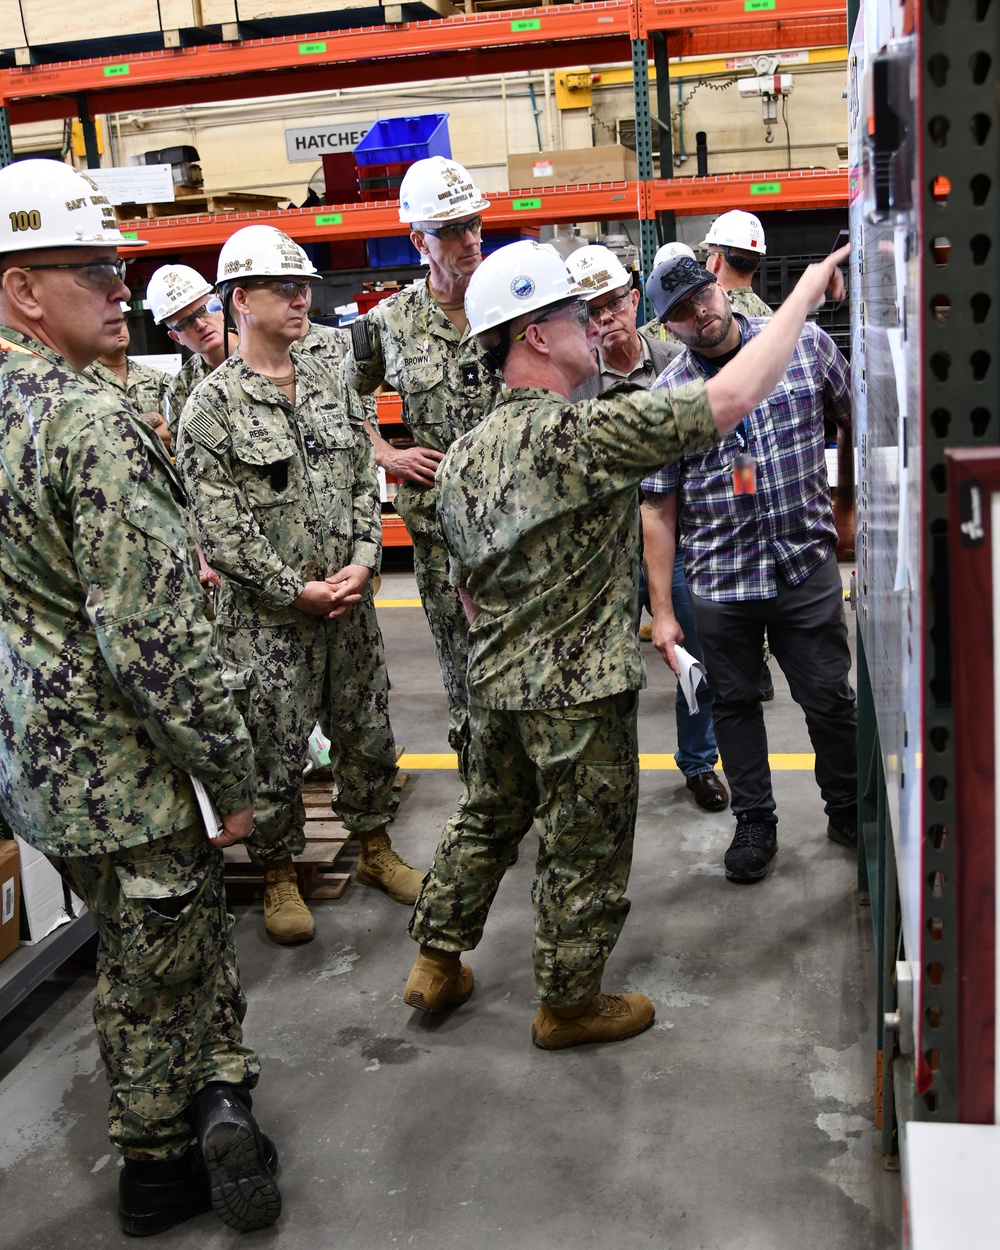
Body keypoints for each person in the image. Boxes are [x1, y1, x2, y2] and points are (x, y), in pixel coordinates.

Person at [402, 238, 849, 1047]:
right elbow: (733, 395)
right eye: (577, 317)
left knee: (486, 814)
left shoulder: (465, 454)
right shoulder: (580, 435)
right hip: (577, 690)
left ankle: (437, 957)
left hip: (494, 677)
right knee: (586, 842)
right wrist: (805, 294)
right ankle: (568, 1005)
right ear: (535, 334)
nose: (596, 330)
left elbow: (462, 583)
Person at [0, 160, 279, 1236]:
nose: (125, 288)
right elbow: (156, 639)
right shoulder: (87, 424)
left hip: (49, 766)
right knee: (152, 971)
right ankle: (159, 1167)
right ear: (25, 288)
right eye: (95, 270)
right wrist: (231, 773)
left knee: (146, 947)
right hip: (131, 769)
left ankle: (220, 1091)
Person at [174, 225, 421, 947]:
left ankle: (374, 849)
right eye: (285, 288)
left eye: (304, 286)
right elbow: (220, 532)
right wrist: (294, 589)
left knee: (366, 731)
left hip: (346, 605)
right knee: (273, 749)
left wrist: (364, 561)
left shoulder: (330, 383)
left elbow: (357, 482)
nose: (301, 299)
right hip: (267, 625)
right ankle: (280, 873)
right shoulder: (211, 409)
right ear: (241, 300)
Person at [640, 254, 856, 885]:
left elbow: (855, 416)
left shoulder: (804, 344)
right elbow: (657, 507)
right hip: (721, 580)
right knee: (733, 705)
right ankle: (756, 822)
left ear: (722, 288)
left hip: (803, 563)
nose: (699, 314)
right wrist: (662, 612)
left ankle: (847, 809)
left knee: (829, 700)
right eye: (680, 312)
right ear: (667, 326)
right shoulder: (669, 396)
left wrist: (849, 508)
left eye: (702, 297)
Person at [342, 156, 503, 779]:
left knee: (527, 657)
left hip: (514, 523)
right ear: (418, 240)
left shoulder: (508, 301)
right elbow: (339, 396)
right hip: (439, 534)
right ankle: (484, 792)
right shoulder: (389, 324)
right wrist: (384, 452)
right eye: (452, 230)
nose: (470, 240)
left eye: (473, 223)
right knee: (463, 666)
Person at [565, 244, 727, 813]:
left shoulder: (675, 360)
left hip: (674, 544)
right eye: (588, 312)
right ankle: (606, 776)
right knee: (601, 670)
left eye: (611, 304)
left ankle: (700, 762)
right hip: (599, 553)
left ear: (634, 301)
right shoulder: (572, 382)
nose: (603, 319)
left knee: (689, 649)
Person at [146, 264, 232, 436]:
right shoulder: (181, 390)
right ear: (176, 337)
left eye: (203, 310)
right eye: (185, 323)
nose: (200, 324)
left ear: (219, 306)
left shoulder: (270, 355)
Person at [84, 309, 172, 448]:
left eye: (121, 320)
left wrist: (125, 433)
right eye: (109, 323)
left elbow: (179, 432)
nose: (119, 328)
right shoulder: (82, 381)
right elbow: (96, 437)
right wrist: (155, 419)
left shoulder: (155, 377)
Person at [700, 209, 773, 318]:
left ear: (716, 260)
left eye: (707, 256)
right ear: (755, 266)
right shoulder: (770, 316)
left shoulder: (711, 319)